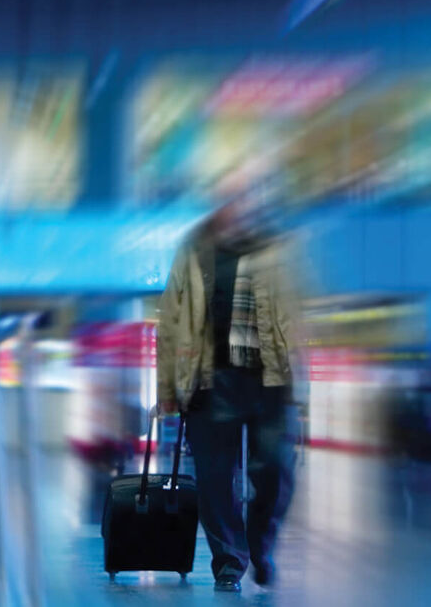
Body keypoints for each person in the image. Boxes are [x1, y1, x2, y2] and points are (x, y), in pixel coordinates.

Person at [156, 178, 301, 592]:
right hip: (208, 378)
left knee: (276, 470)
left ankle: (261, 545)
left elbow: (293, 314)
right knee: (215, 478)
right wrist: (167, 386)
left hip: (268, 379)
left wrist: (298, 374)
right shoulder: (194, 250)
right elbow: (171, 321)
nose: (239, 207)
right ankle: (229, 561)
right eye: (230, 199)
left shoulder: (277, 249)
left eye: (247, 198)